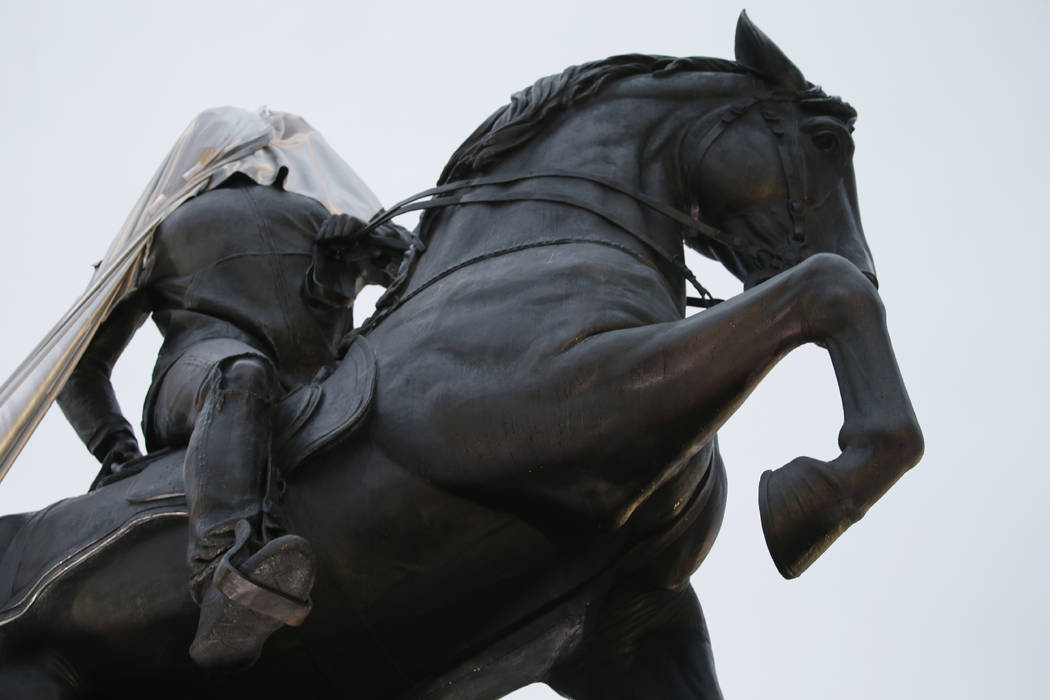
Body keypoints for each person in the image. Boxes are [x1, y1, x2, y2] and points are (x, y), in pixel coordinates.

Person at [52, 107, 407, 668]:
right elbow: (79, 362)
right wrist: (115, 450)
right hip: (199, 378)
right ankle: (225, 571)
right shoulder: (160, 231)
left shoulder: (314, 212)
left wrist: (362, 254)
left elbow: (416, 271)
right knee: (239, 373)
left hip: (313, 383)